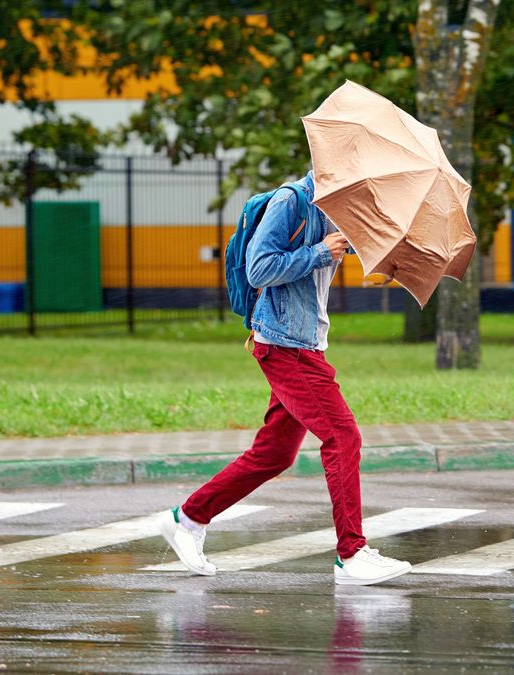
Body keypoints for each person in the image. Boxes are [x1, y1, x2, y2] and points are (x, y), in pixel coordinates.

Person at [157, 170, 412, 586]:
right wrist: (319, 252)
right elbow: (259, 269)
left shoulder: (335, 209)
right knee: (343, 437)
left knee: (275, 453)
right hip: (286, 346)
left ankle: (187, 519)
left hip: (305, 342)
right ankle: (351, 553)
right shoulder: (291, 202)